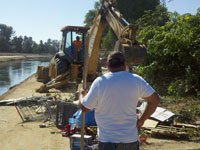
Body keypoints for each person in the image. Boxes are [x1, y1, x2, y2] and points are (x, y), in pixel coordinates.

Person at [79, 51, 160, 150]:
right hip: (129, 140)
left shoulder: (100, 82)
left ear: (108, 65)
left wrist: (81, 96)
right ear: (125, 65)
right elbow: (155, 100)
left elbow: (84, 108)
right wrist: (141, 120)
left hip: (107, 141)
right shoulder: (136, 80)